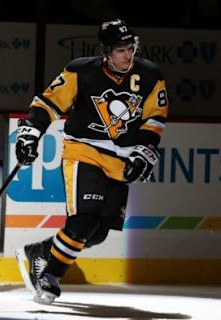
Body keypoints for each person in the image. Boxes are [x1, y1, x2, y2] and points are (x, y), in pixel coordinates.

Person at [14, 19, 168, 305]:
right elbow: (48, 103)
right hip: (83, 151)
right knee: (84, 220)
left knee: (96, 233)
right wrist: (30, 134)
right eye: (120, 50)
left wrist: (143, 150)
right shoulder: (80, 70)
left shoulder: (150, 75)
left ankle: (42, 251)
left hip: (120, 160)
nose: (127, 56)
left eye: (130, 48)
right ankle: (50, 277)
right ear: (106, 51)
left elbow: (155, 117)